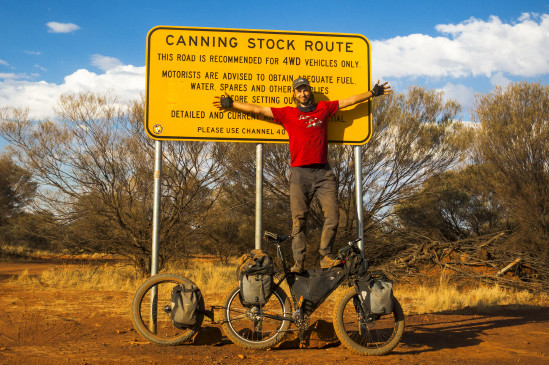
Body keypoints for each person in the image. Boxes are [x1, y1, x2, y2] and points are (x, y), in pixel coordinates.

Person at [213, 77, 391, 273]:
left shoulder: (323, 108)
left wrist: (372, 93)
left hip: (324, 172)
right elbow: (259, 110)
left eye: (305, 90)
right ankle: (298, 263)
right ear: (294, 94)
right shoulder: (287, 113)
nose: (302, 94)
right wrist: (232, 104)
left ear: (309, 91)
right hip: (299, 174)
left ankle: (325, 255)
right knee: (299, 220)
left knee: (333, 216)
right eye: (298, 91)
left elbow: (349, 101)